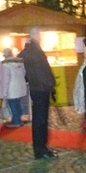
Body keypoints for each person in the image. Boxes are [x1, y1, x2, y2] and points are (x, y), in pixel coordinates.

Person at [19, 27, 57, 160]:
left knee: (39, 120)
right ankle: (41, 149)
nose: (41, 36)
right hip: (41, 88)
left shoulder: (27, 51)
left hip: (37, 88)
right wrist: (51, 84)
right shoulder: (35, 51)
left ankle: (41, 148)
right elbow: (43, 71)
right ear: (34, 34)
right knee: (41, 121)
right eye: (39, 34)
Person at [0, 48, 28, 128]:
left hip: (12, 88)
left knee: (13, 104)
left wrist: (4, 92)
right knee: (17, 104)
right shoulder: (20, 63)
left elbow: (5, 80)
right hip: (21, 86)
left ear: (5, 55)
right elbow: (24, 73)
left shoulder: (5, 65)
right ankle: (18, 120)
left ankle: (16, 121)